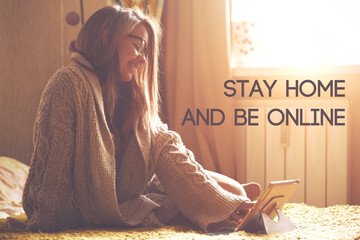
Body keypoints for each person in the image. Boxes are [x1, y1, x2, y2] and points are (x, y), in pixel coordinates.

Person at [22, 5, 260, 233]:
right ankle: (237, 199)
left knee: (226, 192)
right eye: (138, 47)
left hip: (131, 191)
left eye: (145, 51)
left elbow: (167, 147)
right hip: (88, 204)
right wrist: (48, 220)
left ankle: (236, 196)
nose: (143, 59)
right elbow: (52, 189)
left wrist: (224, 201)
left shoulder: (130, 94)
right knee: (204, 204)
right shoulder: (69, 82)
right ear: (107, 38)